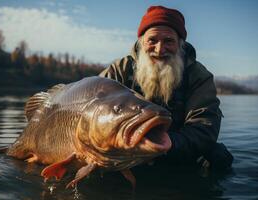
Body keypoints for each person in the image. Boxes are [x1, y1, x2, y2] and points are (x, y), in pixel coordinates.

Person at [99, 5, 232, 171]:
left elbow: (205, 126)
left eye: (169, 41)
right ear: (141, 42)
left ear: (180, 44)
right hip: (124, 148)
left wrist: (170, 143)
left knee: (219, 155)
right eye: (152, 40)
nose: (160, 49)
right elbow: (92, 106)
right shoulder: (120, 70)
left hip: (175, 150)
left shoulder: (198, 75)